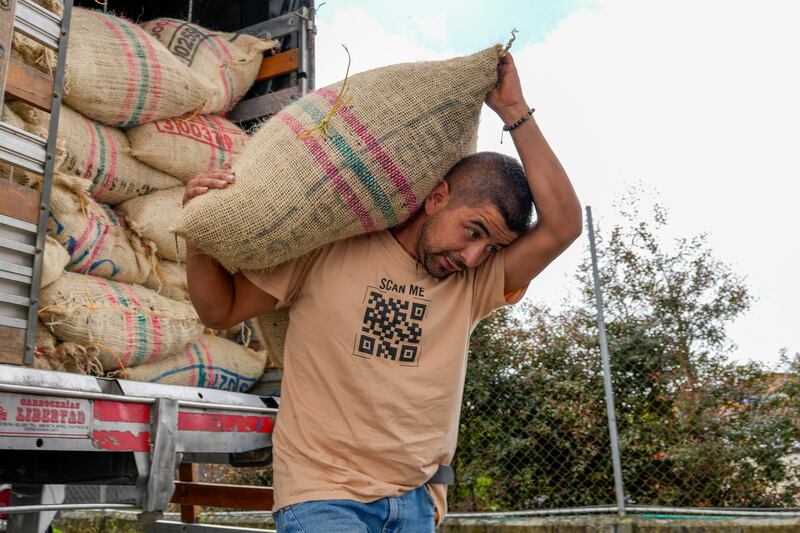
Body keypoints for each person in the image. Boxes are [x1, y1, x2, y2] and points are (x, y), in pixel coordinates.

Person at [183, 52, 581, 532]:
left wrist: (514, 110)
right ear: (437, 197)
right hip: (322, 496)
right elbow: (219, 309)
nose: (474, 257)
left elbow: (562, 226)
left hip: (416, 501)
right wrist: (198, 228)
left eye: (492, 247)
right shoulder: (327, 250)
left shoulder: (473, 284)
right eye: (473, 232)